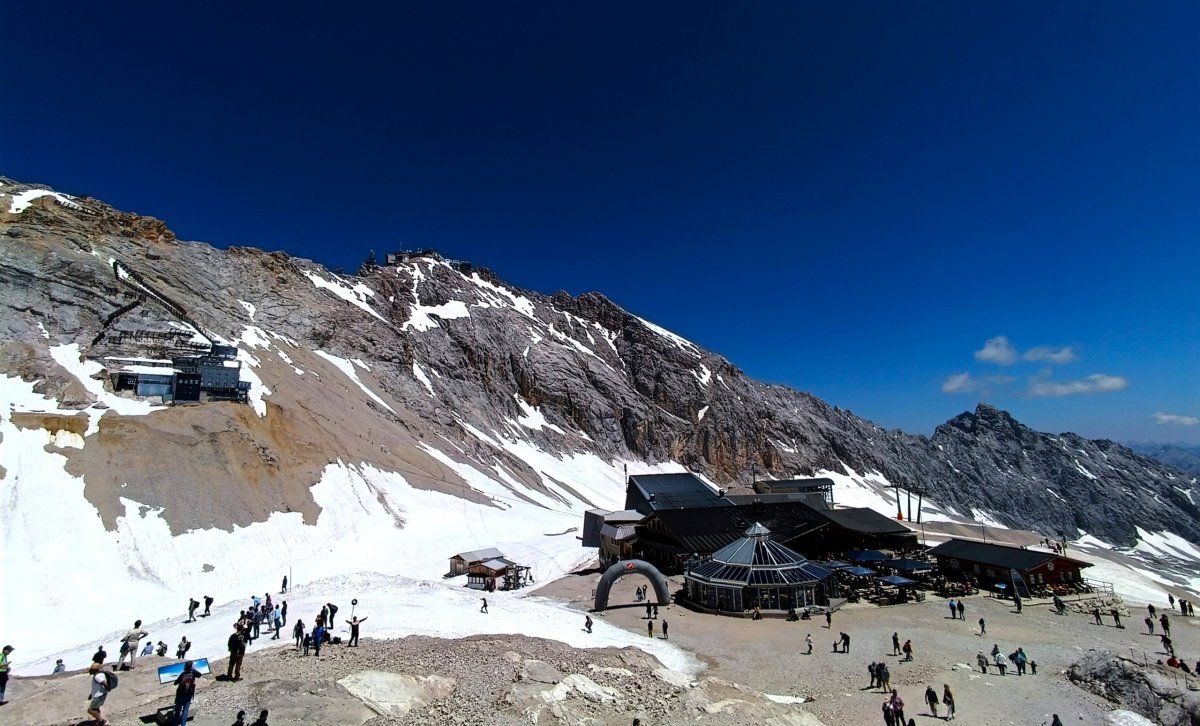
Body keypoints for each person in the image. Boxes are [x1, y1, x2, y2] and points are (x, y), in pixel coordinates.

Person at [173, 659, 201, 726]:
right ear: (191, 666)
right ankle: (183, 724)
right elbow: (199, 675)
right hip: (188, 694)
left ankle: (175, 724)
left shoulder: (183, 674)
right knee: (185, 711)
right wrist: (194, 669)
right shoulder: (193, 672)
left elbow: (175, 683)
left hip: (180, 694)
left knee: (177, 711)